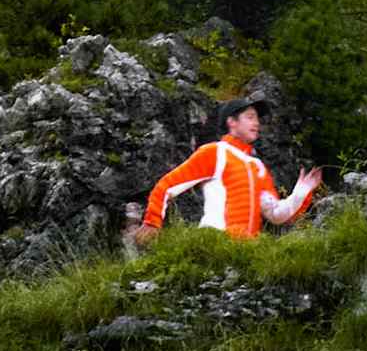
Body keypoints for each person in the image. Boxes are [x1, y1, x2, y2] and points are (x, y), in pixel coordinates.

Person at [132, 93, 323, 246]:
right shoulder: (215, 152)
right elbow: (167, 185)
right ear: (231, 122)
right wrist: (152, 222)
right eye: (250, 117)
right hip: (213, 245)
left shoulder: (257, 167)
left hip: (247, 252)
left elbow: (276, 214)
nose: (256, 123)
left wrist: (301, 191)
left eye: (257, 118)